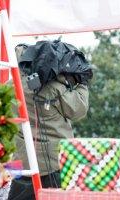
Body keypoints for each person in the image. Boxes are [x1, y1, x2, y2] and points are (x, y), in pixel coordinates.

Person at [8, 46, 89, 200]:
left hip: (23, 165)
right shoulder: (55, 87)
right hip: (55, 164)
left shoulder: (9, 87)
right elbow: (79, 109)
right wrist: (82, 82)